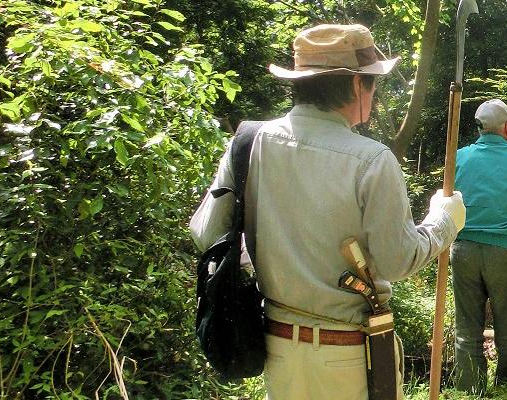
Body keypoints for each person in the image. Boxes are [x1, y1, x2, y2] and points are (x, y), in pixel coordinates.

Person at [188, 24, 465, 399]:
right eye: (372, 84)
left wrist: (266, 265)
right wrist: (444, 220)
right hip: (350, 355)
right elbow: (397, 261)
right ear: (355, 85)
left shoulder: (249, 142)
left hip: (276, 349)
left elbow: (207, 234)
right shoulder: (372, 160)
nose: (375, 94)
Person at [449, 99, 507, 393]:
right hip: (505, 251)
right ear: (505, 127)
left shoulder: (459, 157)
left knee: (467, 326)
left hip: (462, 249)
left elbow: (447, 201)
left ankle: (470, 389)